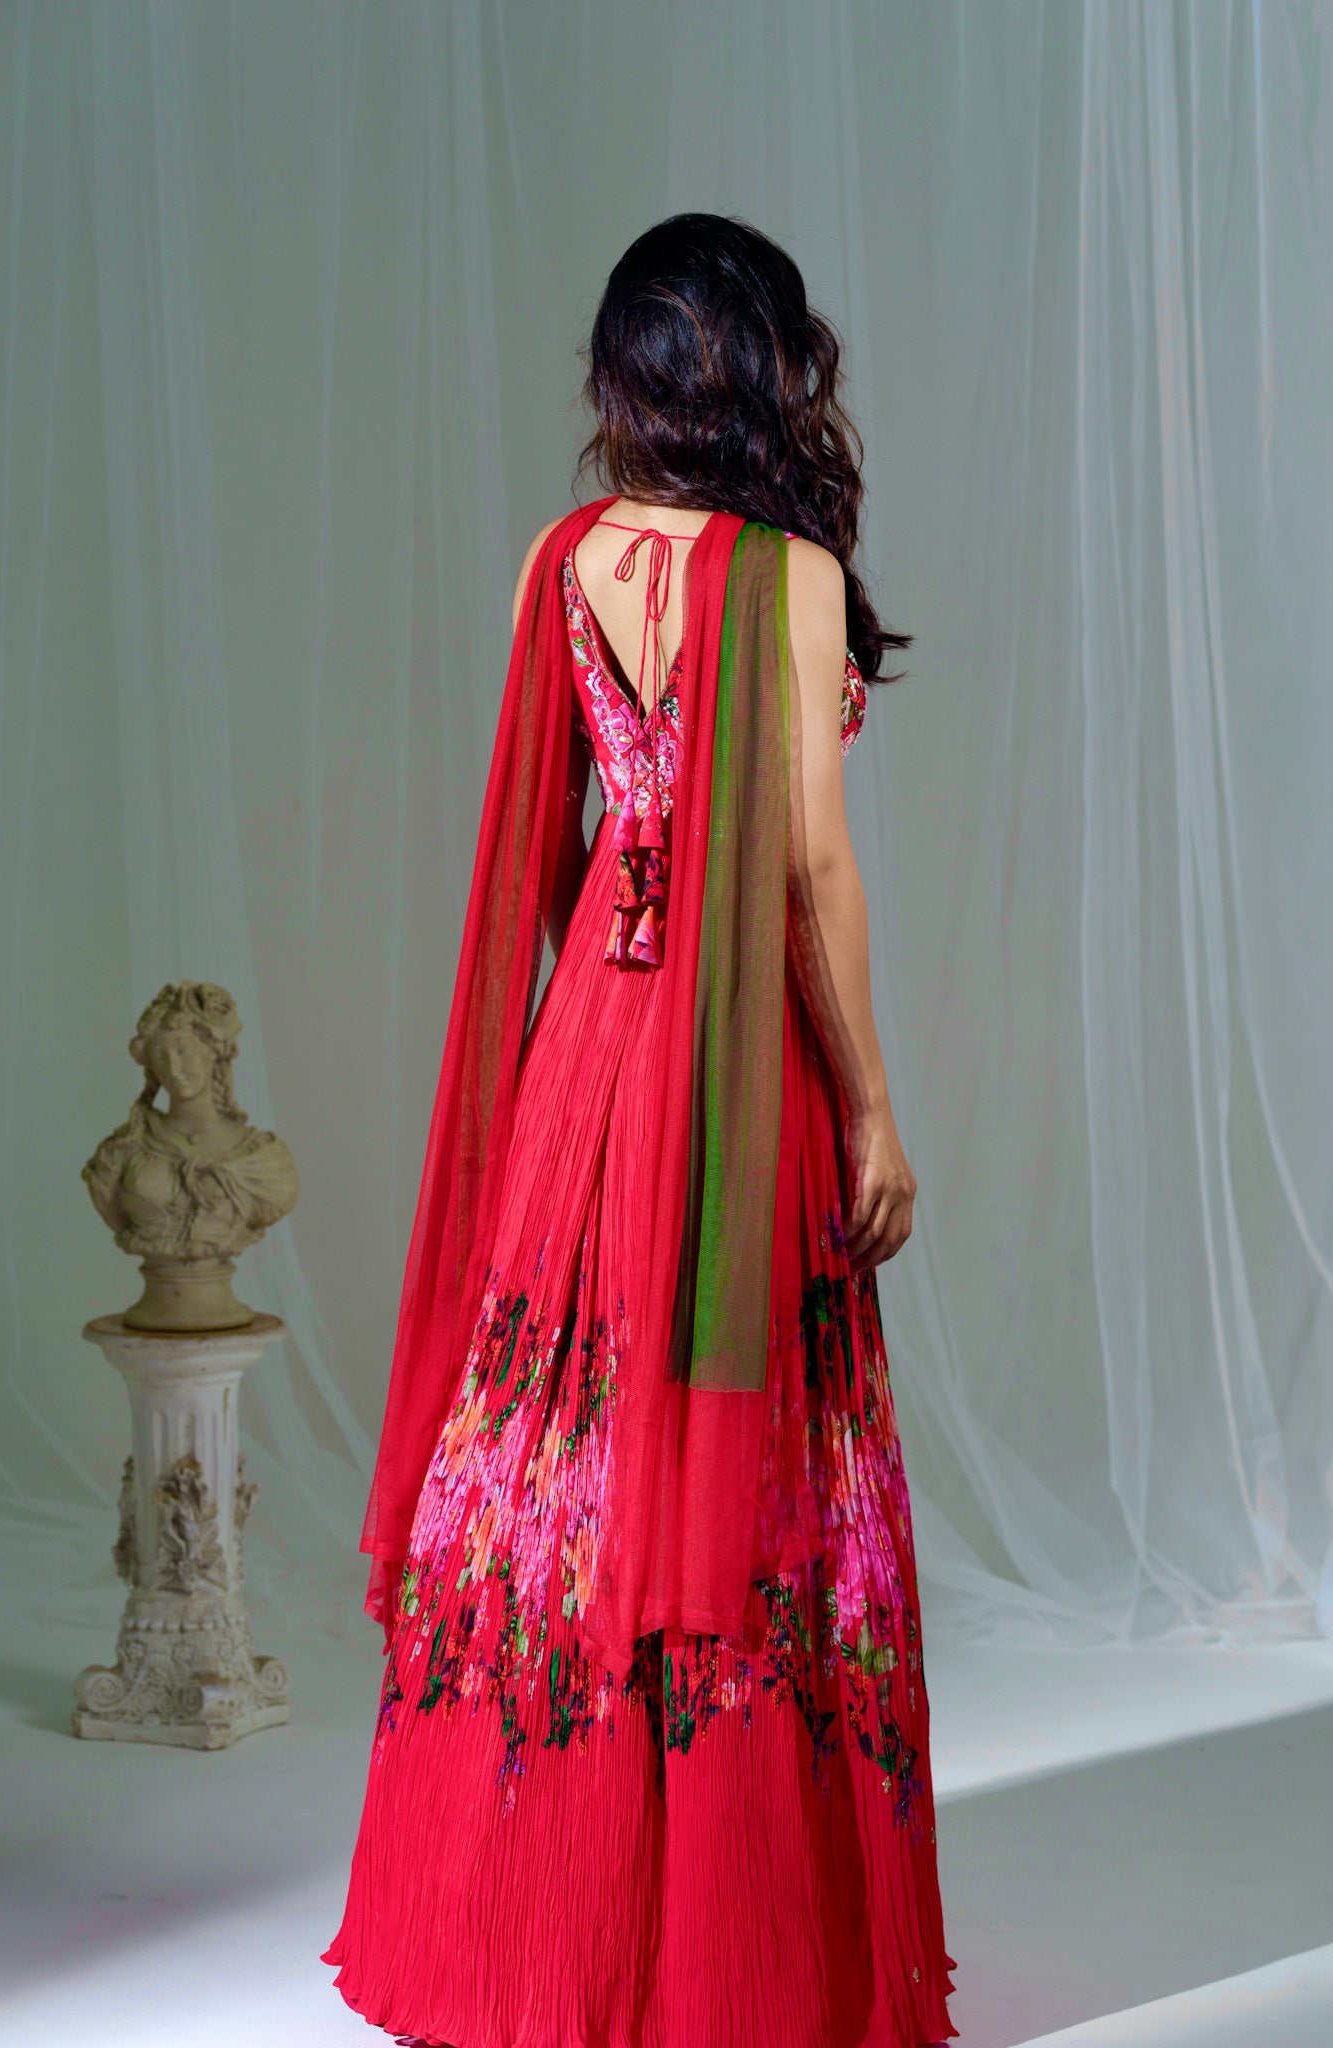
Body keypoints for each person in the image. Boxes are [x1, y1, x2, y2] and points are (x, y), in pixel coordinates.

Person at [323, 213, 955, 2048]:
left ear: (628, 374)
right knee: (738, 1446)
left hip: (589, 1046)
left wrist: (560, 1078)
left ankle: (529, 1930)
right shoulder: (788, 571)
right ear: (765, 364)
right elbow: (810, 865)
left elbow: (566, 835)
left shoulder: (563, 557)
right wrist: (876, 1112)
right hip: (733, 1057)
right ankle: (721, 1960)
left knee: (566, 1451)